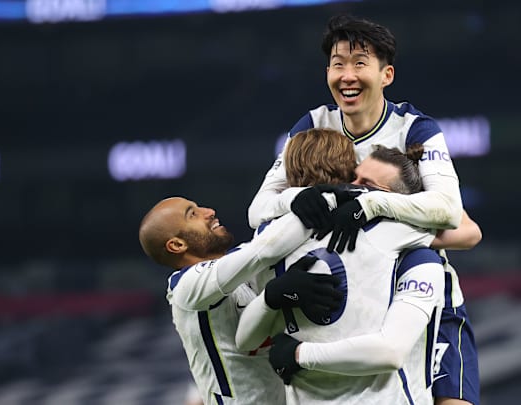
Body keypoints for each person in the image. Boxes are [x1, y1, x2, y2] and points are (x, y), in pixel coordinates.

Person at [247, 14, 480, 405]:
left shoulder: (415, 129)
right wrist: (295, 198)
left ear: (386, 74)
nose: (347, 75)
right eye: (338, 64)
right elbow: (259, 211)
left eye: (360, 63)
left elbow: (455, 217)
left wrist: (371, 207)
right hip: (351, 298)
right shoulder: (311, 127)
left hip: (421, 293)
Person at [237, 129, 447, 404]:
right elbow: (464, 230)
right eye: (355, 179)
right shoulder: (396, 231)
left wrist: (293, 344)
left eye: (366, 184)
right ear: (348, 170)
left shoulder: (267, 238)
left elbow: (245, 342)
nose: (357, 188)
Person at [138, 194, 344, 403]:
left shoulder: (240, 266)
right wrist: (325, 201)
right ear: (177, 245)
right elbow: (267, 248)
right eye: (193, 214)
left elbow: (271, 239)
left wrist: (300, 201)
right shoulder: (186, 285)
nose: (209, 211)